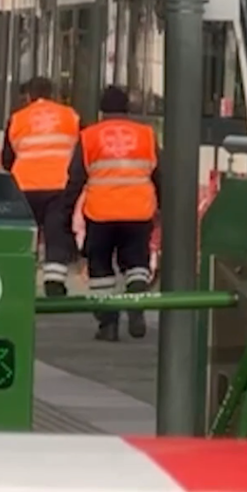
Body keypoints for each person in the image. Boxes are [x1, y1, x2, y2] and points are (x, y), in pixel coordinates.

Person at [61, 86, 160, 342]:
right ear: (128, 108)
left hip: (101, 212)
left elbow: (76, 179)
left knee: (101, 267)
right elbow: (160, 174)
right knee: (136, 264)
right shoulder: (146, 135)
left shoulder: (89, 136)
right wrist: (163, 207)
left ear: (102, 110)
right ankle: (136, 305)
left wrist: (66, 211)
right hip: (138, 212)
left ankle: (108, 325)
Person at [1, 76, 80, 296]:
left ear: (29, 96)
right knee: (56, 233)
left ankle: (19, 281)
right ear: (53, 94)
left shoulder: (18, 118)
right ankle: (54, 281)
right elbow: (79, 153)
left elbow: (7, 158)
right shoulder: (70, 116)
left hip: (25, 185)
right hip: (59, 184)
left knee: (27, 233)